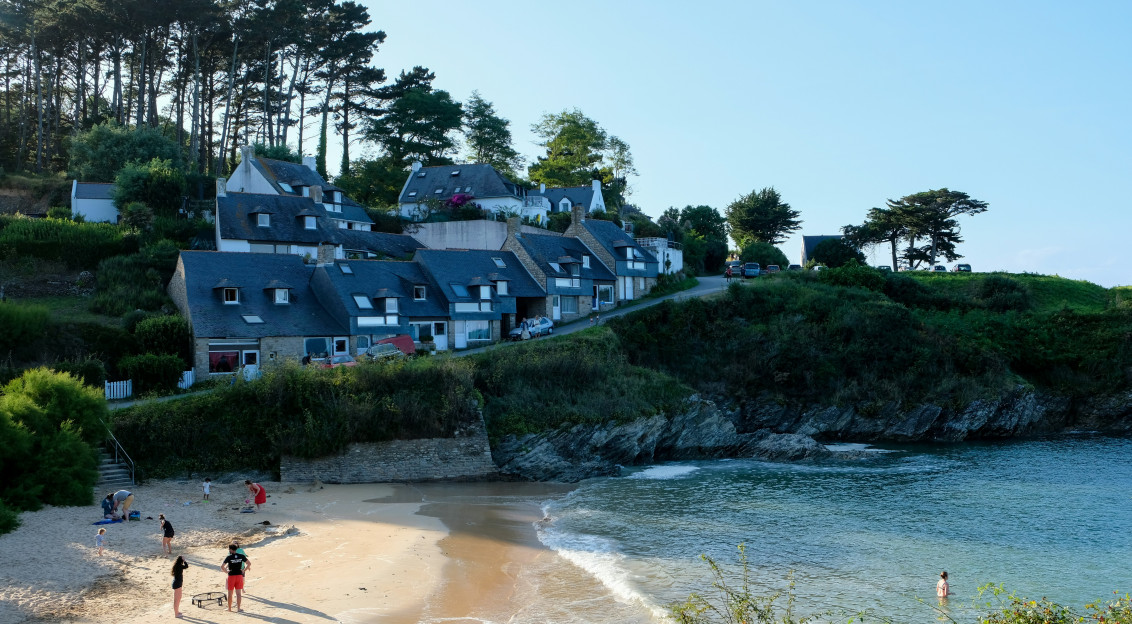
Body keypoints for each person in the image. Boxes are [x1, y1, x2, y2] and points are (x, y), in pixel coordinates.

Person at [221, 543, 249, 612]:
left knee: (230, 593)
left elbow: (222, 566)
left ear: (231, 549)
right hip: (239, 576)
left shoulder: (229, 557)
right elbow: (249, 563)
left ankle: (229, 608)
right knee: (238, 594)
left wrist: (226, 571)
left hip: (231, 576)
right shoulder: (241, 556)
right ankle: (238, 608)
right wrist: (244, 570)